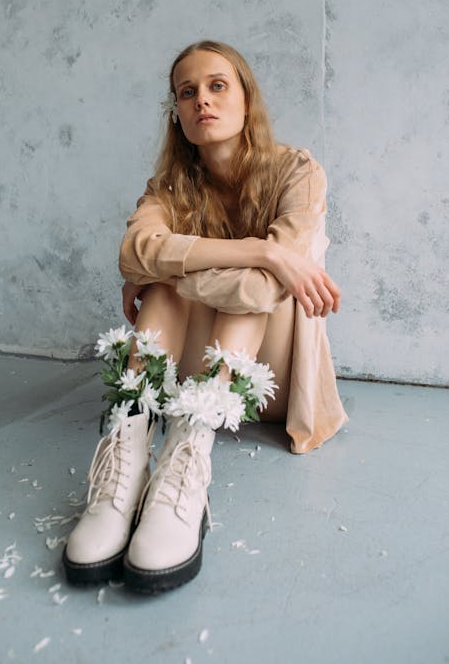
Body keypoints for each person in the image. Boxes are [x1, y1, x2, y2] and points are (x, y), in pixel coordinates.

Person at [63, 40, 348, 593]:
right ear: (176, 111)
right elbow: (132, 252)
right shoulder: (168, 187)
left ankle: (190, 456)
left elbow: (260, 288)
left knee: (230, 290)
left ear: (246, 98)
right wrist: (262, 250)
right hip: (185, 374)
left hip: (270, 376)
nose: (202, 101)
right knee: (173, 290)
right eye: (186, 92)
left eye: (218, 86)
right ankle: (129, 455)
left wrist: (170, 265)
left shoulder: (298, 172)